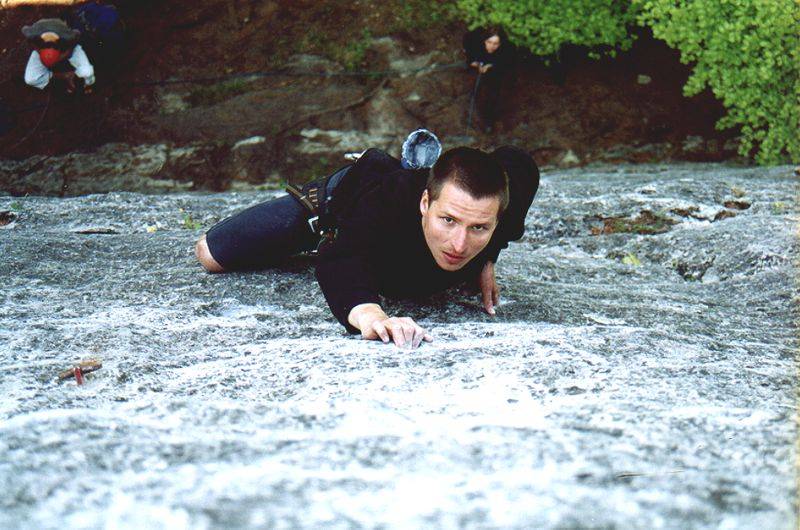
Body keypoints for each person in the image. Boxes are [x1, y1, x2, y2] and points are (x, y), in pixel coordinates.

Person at [195, 131, 539, 349]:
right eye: (448, 220)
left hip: (399, 207)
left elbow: (520, 162)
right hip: (340, 202)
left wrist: (490, 256)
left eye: (478, 228)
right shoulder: (385, 206)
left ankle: (424, 176)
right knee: (211, 254)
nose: (460, 245)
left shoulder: (500, 204)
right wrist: (372, 316)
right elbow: (339, 258)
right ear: (425, 203)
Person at [22, 18, 95, 94]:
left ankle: (88, 85)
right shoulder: (34, 35)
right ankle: (64, 76)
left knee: (87, 72)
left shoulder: (66, 37)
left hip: (67, 49)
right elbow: (30, 41)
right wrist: (40, 52)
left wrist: (63, 55)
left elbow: (74, 41)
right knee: (30, 79)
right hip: (45, 51)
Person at [462, 27, 513, 131]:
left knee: (493, 93)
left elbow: (505, 62)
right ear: (484, 41)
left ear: (500, 44)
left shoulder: (505, 49)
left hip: (497, 69)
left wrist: (490, 66)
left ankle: (490, 121)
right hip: (480, 61)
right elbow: (470, 53)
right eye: (489, 42)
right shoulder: (476, 44)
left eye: (495, 44)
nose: (492, 46)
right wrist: (474, 62)